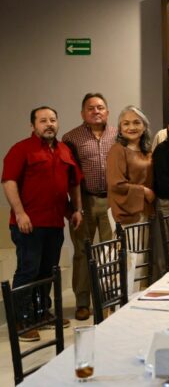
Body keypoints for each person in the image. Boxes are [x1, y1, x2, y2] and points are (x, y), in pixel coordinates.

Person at [2, 106, 83, 341]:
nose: (49, 124)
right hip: (28, 223)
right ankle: (20, 320)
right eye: (43, 120)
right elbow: (8, 181)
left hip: (54, 223)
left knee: (48, 271)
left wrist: (75, 210)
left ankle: (41, 314)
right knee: (28, 270)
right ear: (33, 125)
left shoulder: (64, 150)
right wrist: (20, 213)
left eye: (53, 120)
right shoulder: (21, 149)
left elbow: (73, 182)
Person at [61, 92, 117, 321]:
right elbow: (68, 175)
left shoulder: (117, 134)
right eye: (91, 108)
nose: (96, 111)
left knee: (110, 251)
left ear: (107, 111)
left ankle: (108, 299)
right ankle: (82, 303)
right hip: (84, 200)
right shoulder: (71, 138)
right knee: (83, 252)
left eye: (100, 107)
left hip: (111, 201)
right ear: (82, 113)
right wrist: (75, 206)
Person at [107, 105, 155, 225]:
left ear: (144, 127)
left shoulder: (147, 151)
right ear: (120, 128)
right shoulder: (117, 150)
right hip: (126, 213)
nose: (131, 127)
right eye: (126, 124)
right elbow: (116, 185)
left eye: (136, 122)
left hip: (145, 210)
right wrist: (144, 191)